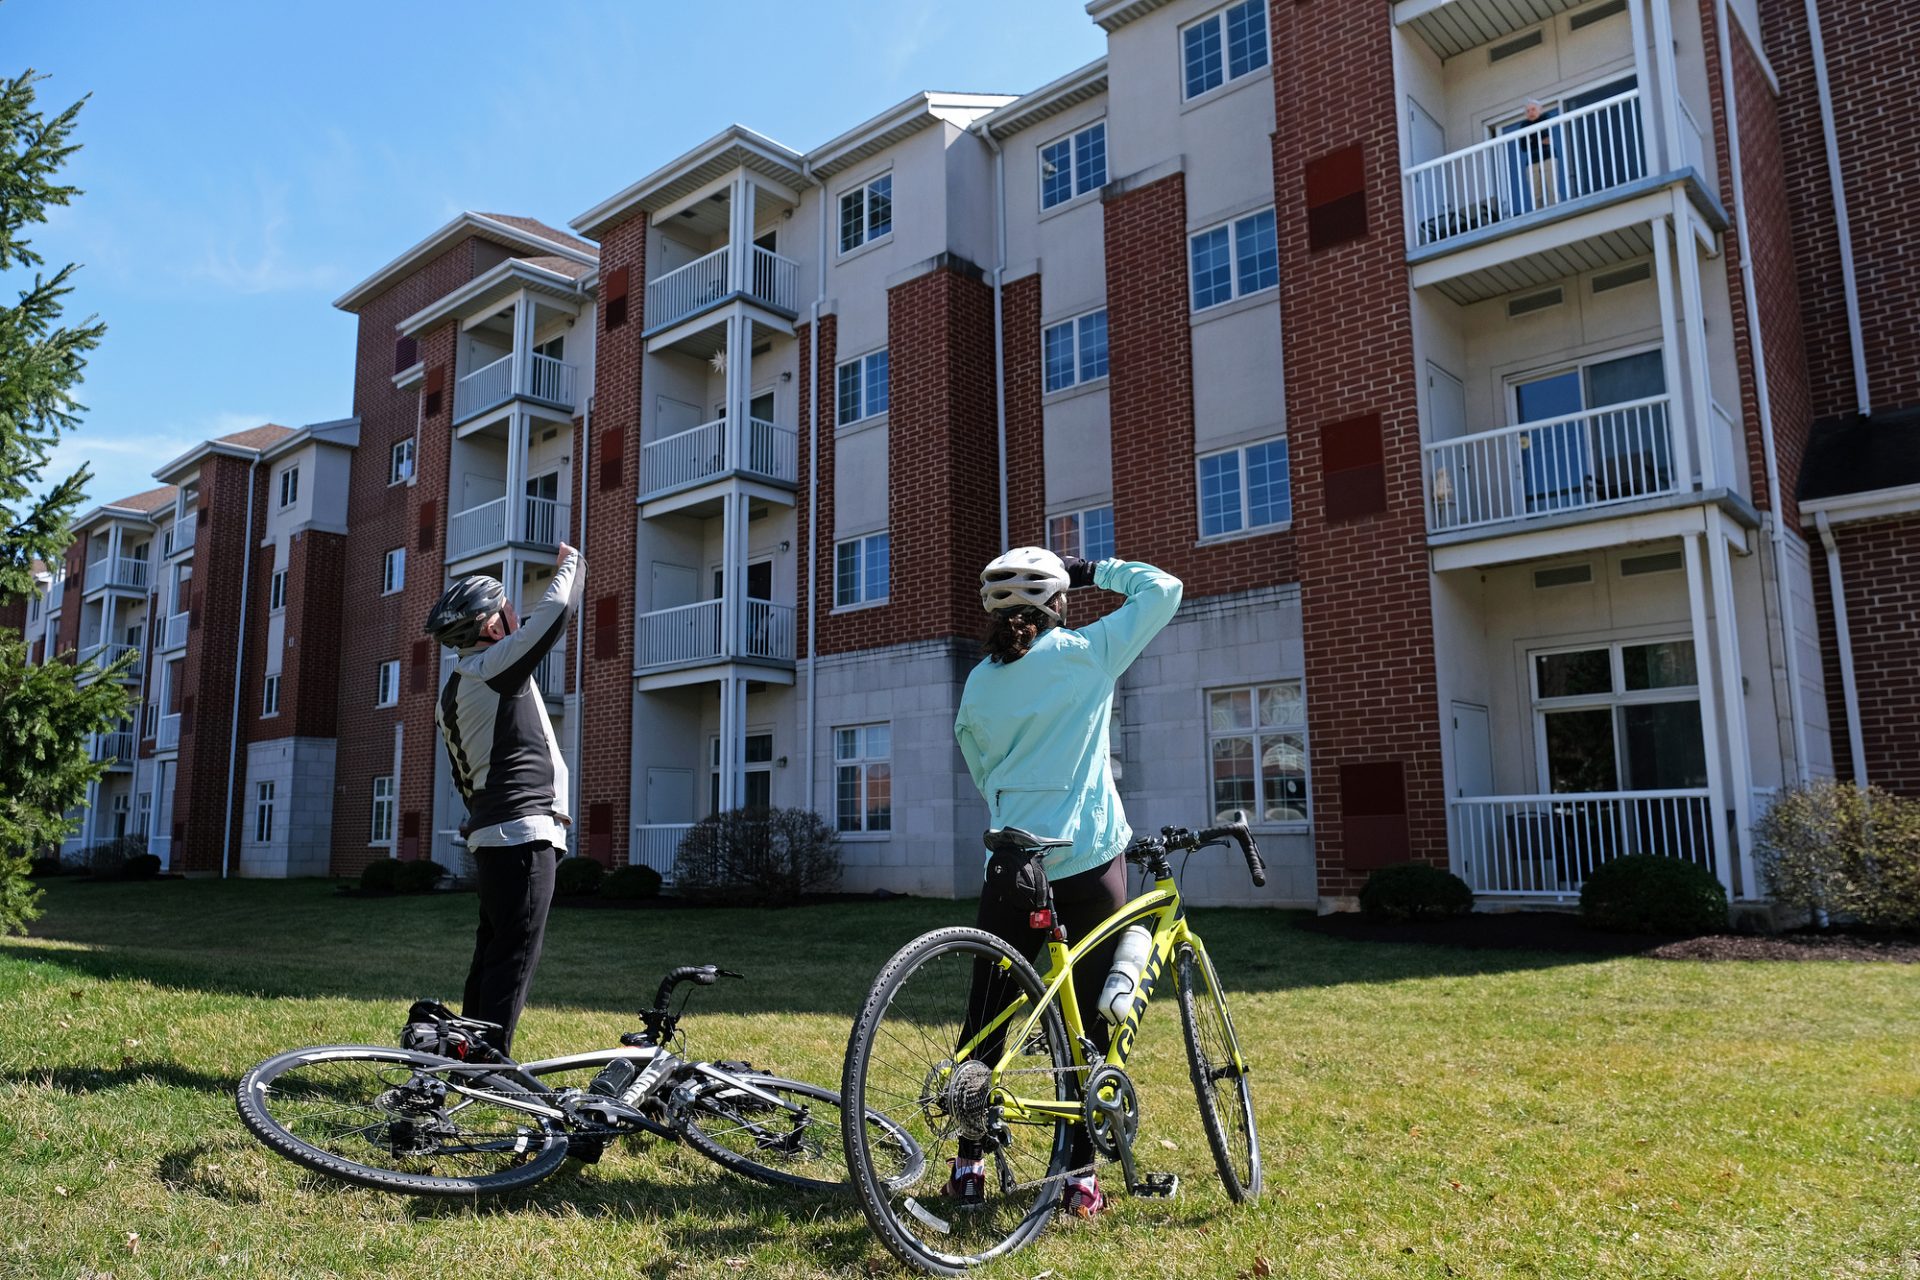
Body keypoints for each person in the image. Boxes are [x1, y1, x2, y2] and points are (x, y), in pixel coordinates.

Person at [950, 546, 1182, 1218]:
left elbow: (977, 760)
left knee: (986, 1021)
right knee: (1091, 1029)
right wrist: (1094, 569)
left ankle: (968, 1167)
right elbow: (1163, 589)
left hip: (1013, 863)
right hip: (1088, 861)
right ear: (1058, 602)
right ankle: (1079, 1177)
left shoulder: (980, 682)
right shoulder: (1085, 652)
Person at [416, 542, 584, 1058]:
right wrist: (571, 564)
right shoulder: (492, 666)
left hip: (495, 837)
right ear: (492, 627)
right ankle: (491, 1067)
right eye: (510, 608)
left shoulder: (456, 688)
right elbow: (554, 616)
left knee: (492, 953)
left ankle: (462, 1052)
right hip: (523, 833)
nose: (518, 614)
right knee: (512, 957)